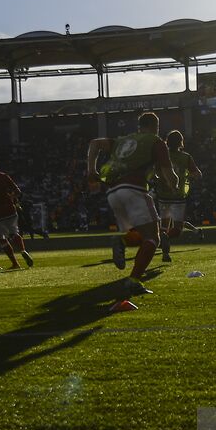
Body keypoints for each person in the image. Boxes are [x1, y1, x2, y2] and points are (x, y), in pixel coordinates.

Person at [87, 112, 177, 297]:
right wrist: (174, 183)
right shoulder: (157, 142)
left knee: (144, 235)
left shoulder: (123, 140)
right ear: (156, 126)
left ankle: (123, 241)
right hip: (133, 189)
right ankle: (134, 280)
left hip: (113, 192)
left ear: (139, 126)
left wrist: (91, 170)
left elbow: (94, 143)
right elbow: (169, 175)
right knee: (154, 238)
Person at [154, 130, 201, 263]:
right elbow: (197, 173)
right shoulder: (186, 157)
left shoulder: (162, 156)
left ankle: (165, 253)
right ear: (181, 142)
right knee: (177, 229)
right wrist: (194, 176)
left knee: (163, 225)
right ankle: (166, 238)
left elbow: (156, 172)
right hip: (178, 197)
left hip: (163, 195)